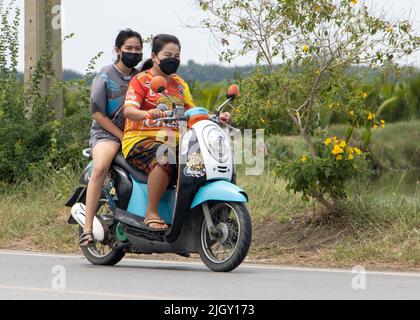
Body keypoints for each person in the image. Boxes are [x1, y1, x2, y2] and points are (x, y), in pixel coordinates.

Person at [123, 34, 231, 231]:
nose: (173, 59)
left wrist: (215, 116)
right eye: (168, 54)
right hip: (141, 138)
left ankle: (189, 216)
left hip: (176, 139)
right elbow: (129, 110)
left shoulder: (180, 84)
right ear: (154, 56)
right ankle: (151, 212)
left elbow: (192, 110)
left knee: (202, 163)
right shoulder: (141, 80)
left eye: (177, 55)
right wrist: (148, 113)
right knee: (166, 156)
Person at [80, 29, 143, 248]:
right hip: (108, 133)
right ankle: (87, 229)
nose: (133, 53)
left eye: (137, 49)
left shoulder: (141, 77)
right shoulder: (106, 74)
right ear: (118, 51)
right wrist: (121, 136)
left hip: (136, 134)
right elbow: (97, 112)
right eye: (129, 49)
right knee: (100, 168)